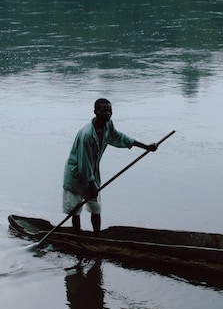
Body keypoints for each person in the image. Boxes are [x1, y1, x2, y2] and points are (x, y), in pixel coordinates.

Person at [62, 98, 158, 234]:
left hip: (91, 171)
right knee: (75, 208)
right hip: (76, 173)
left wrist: (145, 147)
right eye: (104, 111)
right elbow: (84, 163)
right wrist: (91, 184)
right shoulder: (87, 135)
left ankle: (97, 236)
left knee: (96, 207)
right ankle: (77, 236)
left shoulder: (108, 125)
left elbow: (120, 138)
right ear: (95, 112)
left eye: (110, 111)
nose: (107, 114)